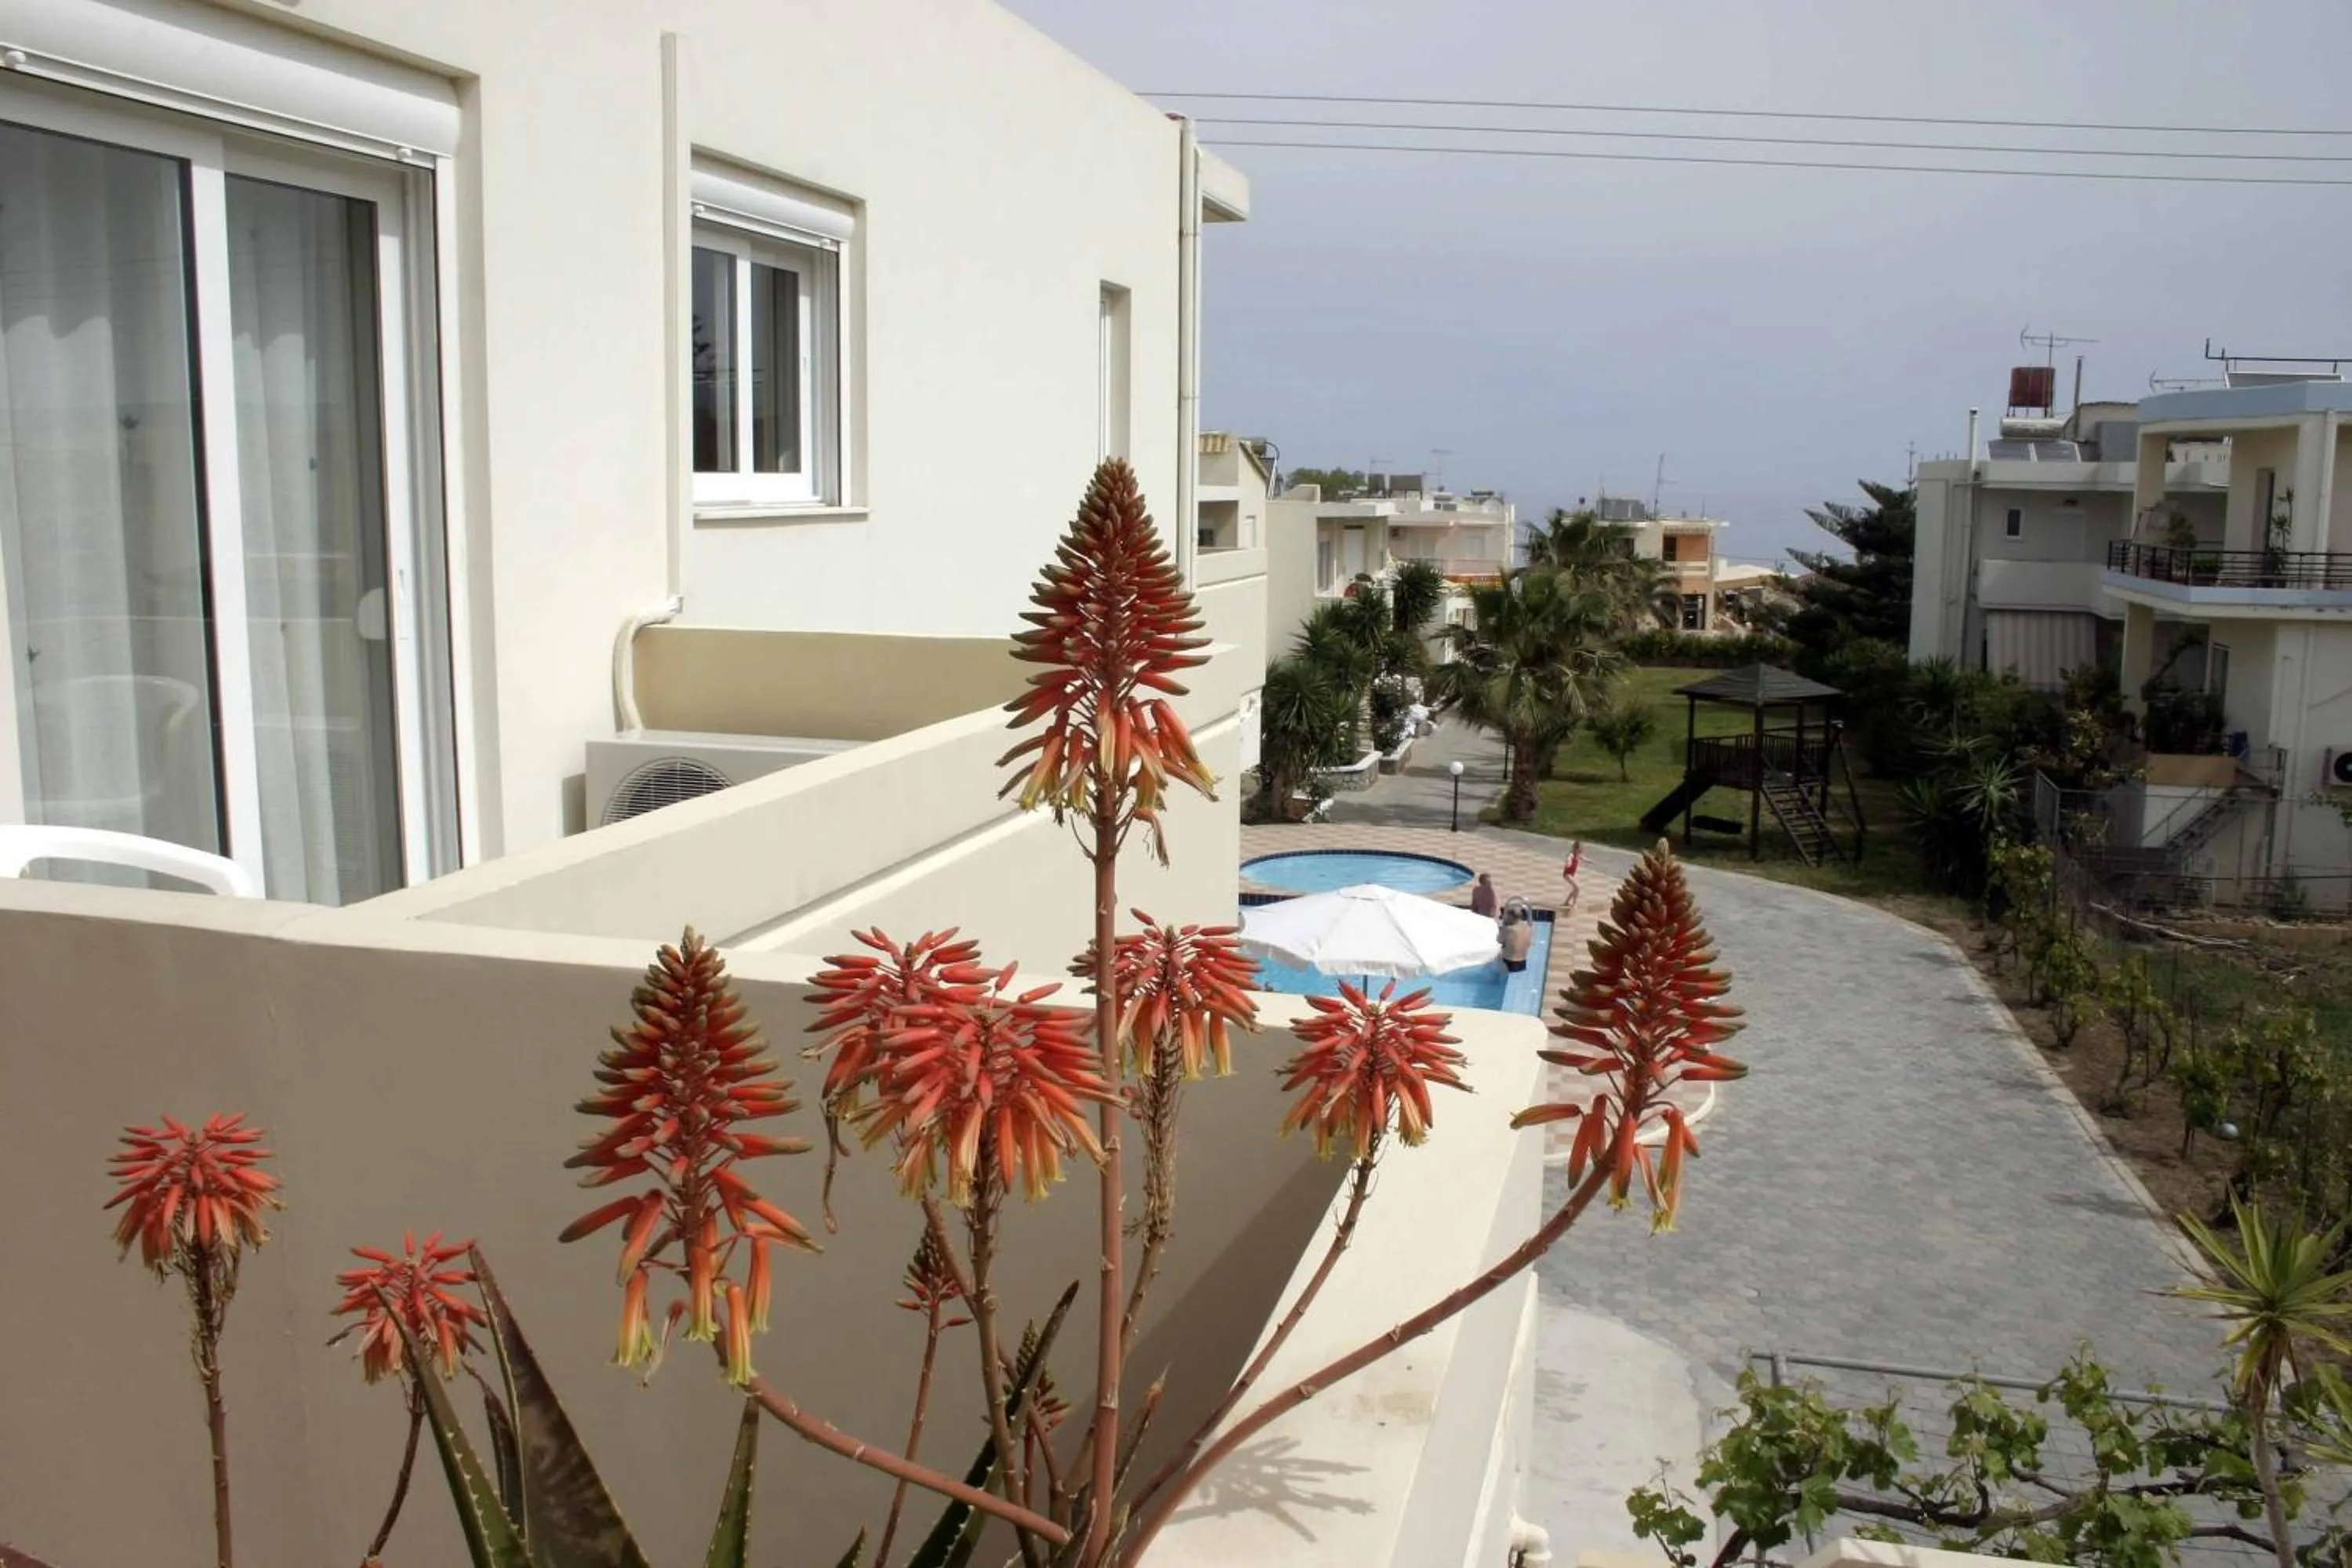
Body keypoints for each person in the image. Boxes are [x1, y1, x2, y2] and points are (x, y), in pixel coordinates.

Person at [1561, 840, 1583, 916]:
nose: (1579, 851)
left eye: (1580, 850)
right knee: (1577, 888)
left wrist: (1589, 861)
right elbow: (1569, 859)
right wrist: (1569, 863)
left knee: (1575, 889)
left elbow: (1582, 858)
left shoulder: (1578, 855)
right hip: (1567, 874)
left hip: (1571, 874)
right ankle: (1574, 904)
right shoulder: (1571, 855)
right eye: (1579, 849)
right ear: (1575, 848)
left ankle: (1566, 902)